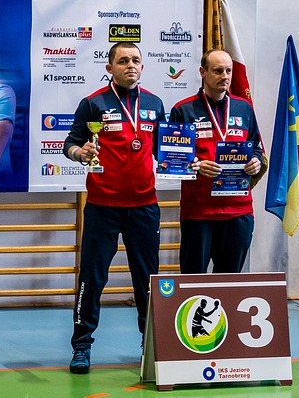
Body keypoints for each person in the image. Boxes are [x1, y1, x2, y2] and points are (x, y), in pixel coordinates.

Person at [62, 42, 165, 374]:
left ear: (143, 66)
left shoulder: (154, 104)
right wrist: (80, 153)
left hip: (145, 206)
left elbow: (165, 149)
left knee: (147, 280)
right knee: (92, 278)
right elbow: (70, 144)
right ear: (110, 68)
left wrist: (184, 159)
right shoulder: (93, 103)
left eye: (136, 60)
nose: (130, 65)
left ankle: (151, 345)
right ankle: (81, 347)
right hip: (102, 206)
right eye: (123, 61)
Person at [169, 49, 265, 273]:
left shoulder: (244, 108)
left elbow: (256, 147)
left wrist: (256, 162)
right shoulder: (183, 110)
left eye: (228, 71)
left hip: (238, 212)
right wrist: (196, 165)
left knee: (228, 283)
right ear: (203, 72)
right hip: (199, 213)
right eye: (218, 71)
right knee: (193, 281)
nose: (225, 76)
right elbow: (172, 159)